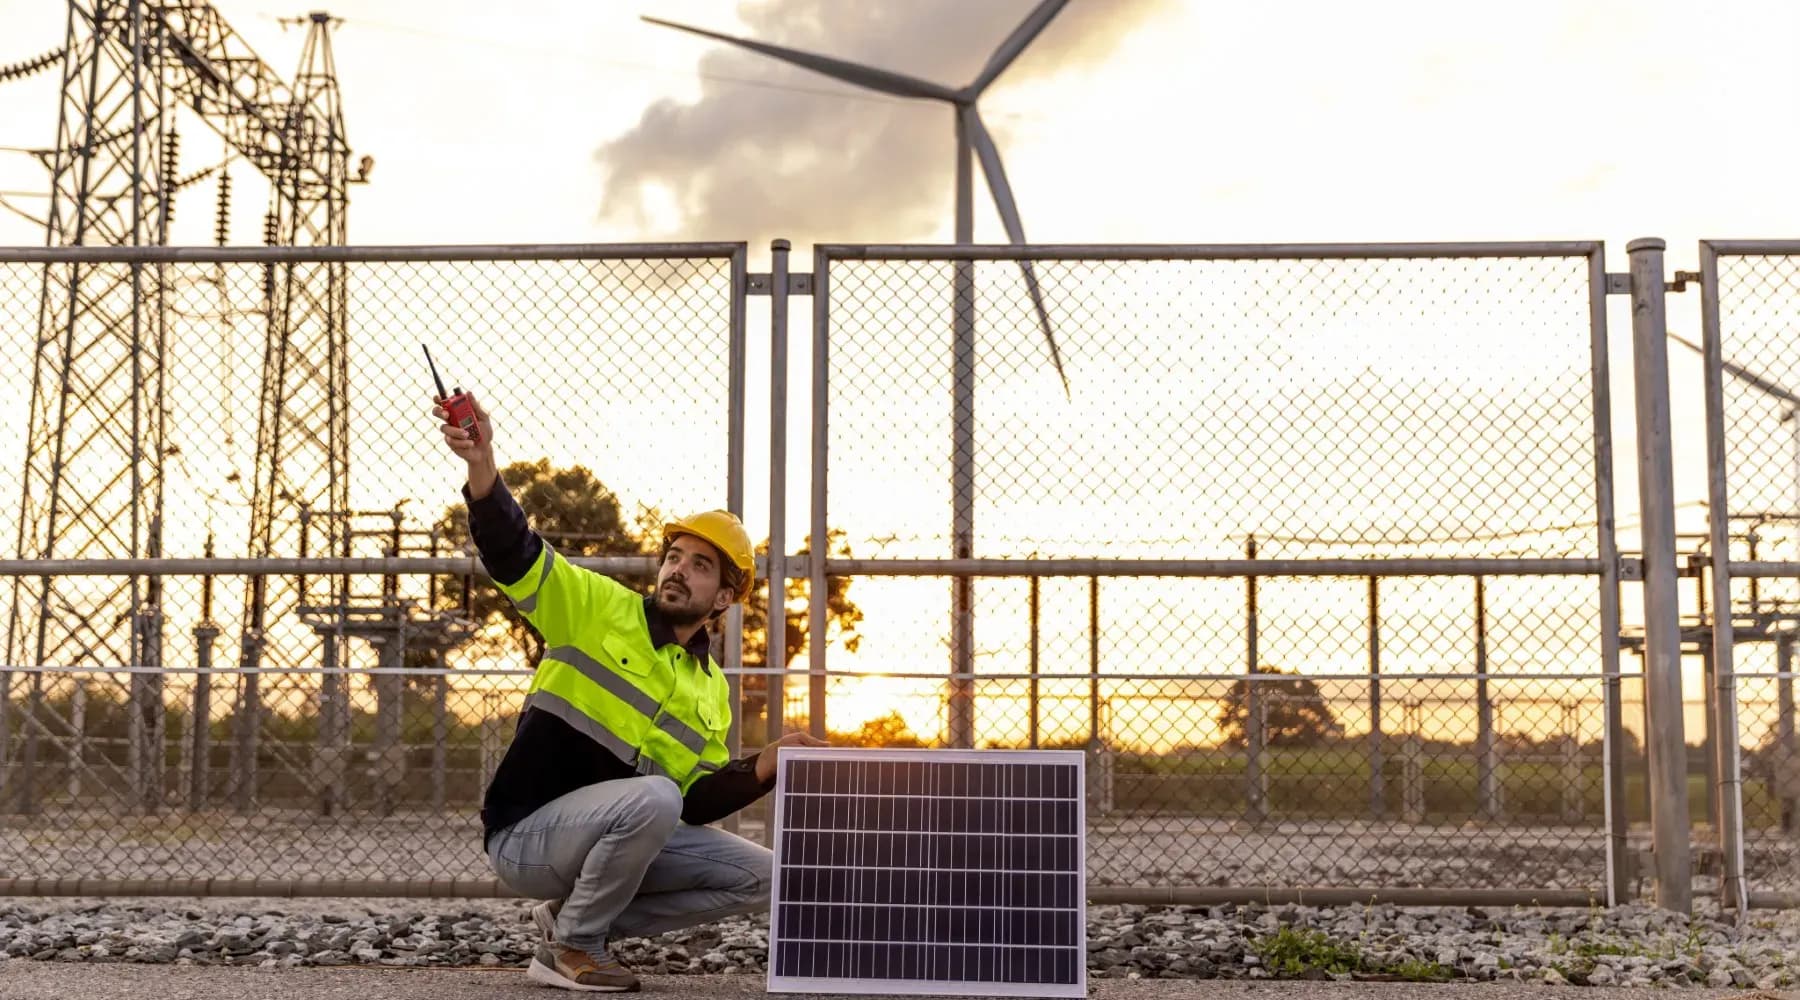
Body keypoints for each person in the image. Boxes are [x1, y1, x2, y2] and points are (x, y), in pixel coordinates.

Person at [433, 392, 825, 992]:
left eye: (700, 566)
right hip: (527, 835)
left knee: (770, 877)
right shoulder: (595, 608)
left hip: (621, 834)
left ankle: (572, 923)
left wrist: (765, 766)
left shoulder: (710, 690)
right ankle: (573, 947)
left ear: (724, 597)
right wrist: (482, 466)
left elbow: (694, 802)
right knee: (655, 797)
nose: (677, 570)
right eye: (674, 556)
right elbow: (515, 552)